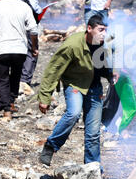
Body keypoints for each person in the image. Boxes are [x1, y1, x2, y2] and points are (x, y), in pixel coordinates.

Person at [38, 15, 118, 168]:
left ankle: (92, 167)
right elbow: (54, 69)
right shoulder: (73, 44)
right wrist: (45, 97)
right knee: (73, 113)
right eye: (100, 30)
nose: (104, 34)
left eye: (106, 30)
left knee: (93, 133)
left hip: (94, 88)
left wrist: (113, 73)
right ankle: (51, 145)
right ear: (89, 29)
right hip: (75, 84)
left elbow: (110, 62)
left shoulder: (106, 45)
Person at [18, 0, 44, 87]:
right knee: (32, 51)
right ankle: (25, 80)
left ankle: (17, 78)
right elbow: (35, 7)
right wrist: (42, 11)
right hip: (29, 24)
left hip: (16, 23)